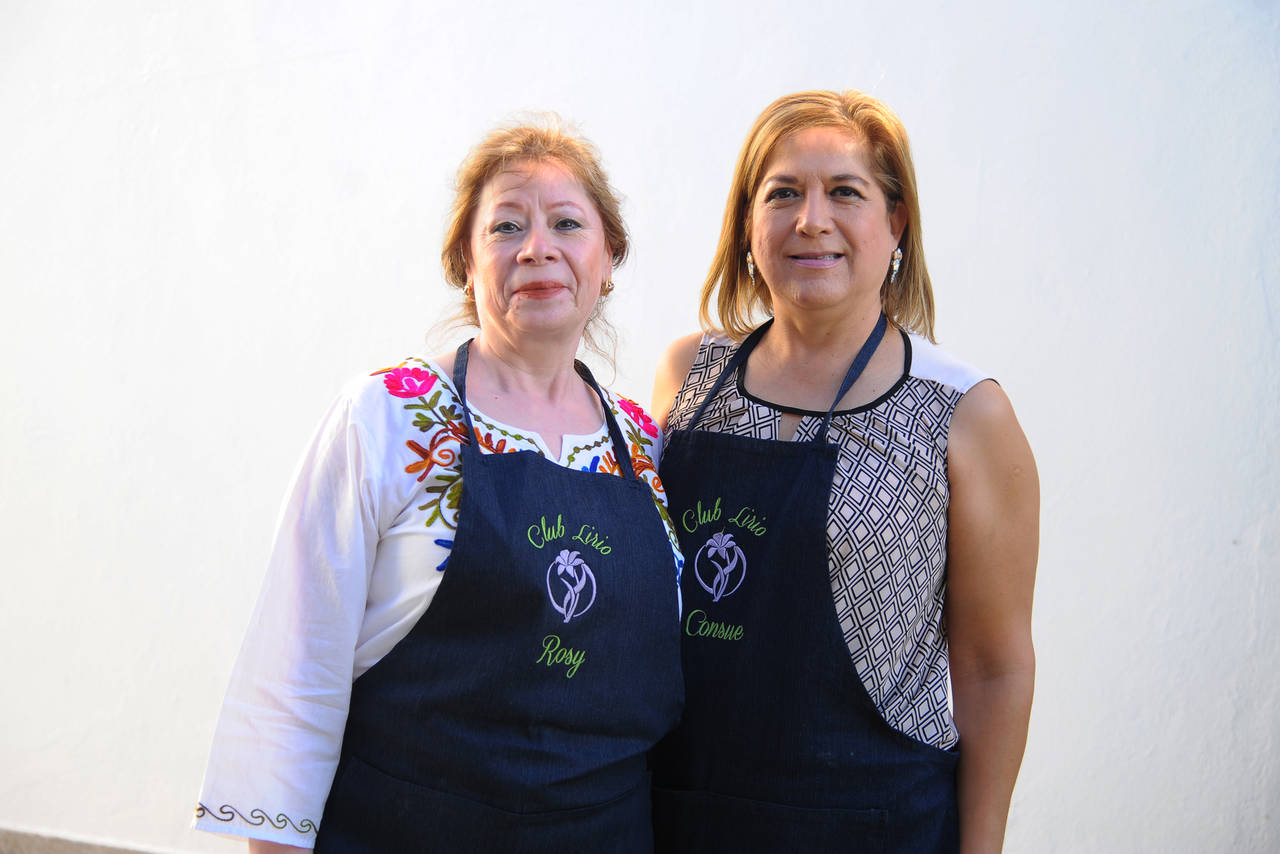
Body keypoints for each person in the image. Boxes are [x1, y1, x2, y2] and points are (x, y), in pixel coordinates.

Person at [195, 121, 683, 853]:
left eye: (567, 224)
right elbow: (298, 670)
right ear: (465, 262)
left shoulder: (644, 445)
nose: (537, 248)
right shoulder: (389, 416)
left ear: (607, 257)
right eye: (506, 226)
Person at [649, 90, 1038, 853]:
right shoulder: (688, 379)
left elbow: (994, 666)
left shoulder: (963, 414)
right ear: (746, 225)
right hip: (681, 817)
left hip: (875, 826)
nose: (811, 219)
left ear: (896, 224)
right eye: (782, 193)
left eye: (845, 192)